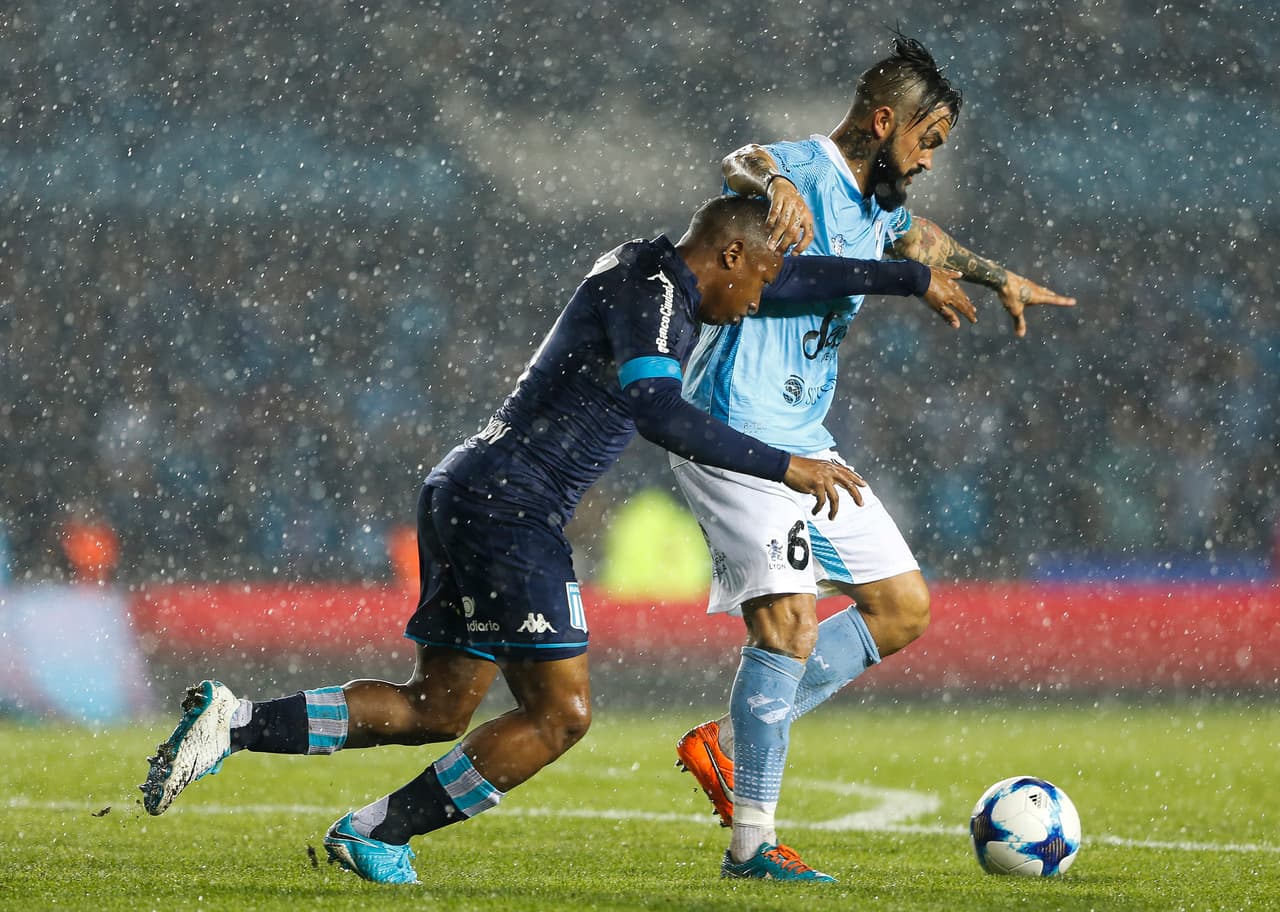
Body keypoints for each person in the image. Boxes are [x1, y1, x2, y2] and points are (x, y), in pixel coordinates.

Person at [139, 194, 971, 886]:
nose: (759, 302)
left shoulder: (655, 273)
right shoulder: (655, 294)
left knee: (438, 706)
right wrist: (785, 465)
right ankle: (377, 831)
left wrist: (907, 276)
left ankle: (234, 723)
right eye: (756, 282)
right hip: (512, 507)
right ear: (728, 256)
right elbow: (657, 410)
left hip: (468, 486)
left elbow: (795, 281)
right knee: (560, 716)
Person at [672, 35, 1077, 882]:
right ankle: (751, 849)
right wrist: (774, 184)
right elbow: (740, 160)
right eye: (927, 140)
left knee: (900, 608)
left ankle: (732, 742)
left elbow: (916, 238)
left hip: (805, 438)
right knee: (787, 625)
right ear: (885, 121)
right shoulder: (799, 169)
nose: (929, 160)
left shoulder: (877, 206)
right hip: (733, 428)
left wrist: (995, 274)